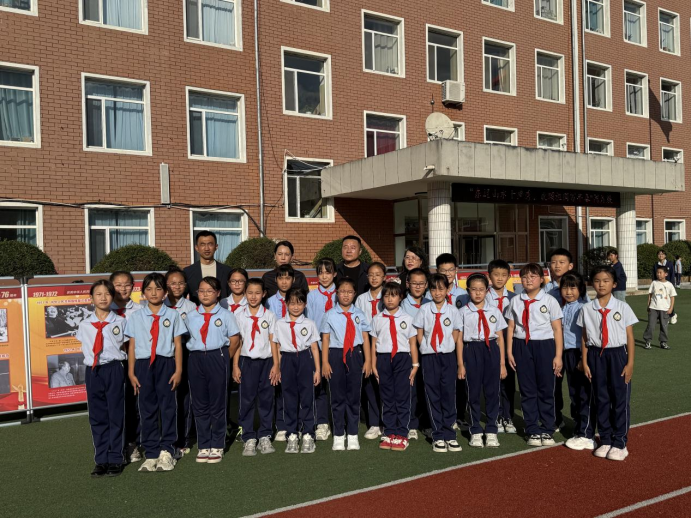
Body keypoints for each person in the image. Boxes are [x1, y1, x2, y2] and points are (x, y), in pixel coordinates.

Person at [125, 273, 186, 472]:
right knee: (146, 408)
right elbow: (132, 346)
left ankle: (167, 450)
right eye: (149, 289)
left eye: (158, 289)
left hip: (166, 363)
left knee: (168, 407)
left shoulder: (173, 315)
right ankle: (151, 452)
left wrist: (178, 370)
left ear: (165, 293)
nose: (153, 293)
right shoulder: (136, 317)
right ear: (143, 293)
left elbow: (178, 344)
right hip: (143, 365)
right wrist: (131, 372)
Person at [578, 266, 638, 461]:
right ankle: (605, 439)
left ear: (614, 284)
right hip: (596, 355)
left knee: (620, 399)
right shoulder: (587, 309)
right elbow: (584, 337)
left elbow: (629, 337)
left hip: (617, 354)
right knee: (601, 398)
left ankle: (620, 442)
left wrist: (630, 363)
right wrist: (585, 361)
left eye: (606, 281)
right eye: (597, 281)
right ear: (591, 283)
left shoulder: (622, 307)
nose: (601, 284)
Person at [505, 263, 563, 448]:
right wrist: (509, 352)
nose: (528, 280)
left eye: (533, 276)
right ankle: (532, 429)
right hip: (521, 345)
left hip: (545, 345)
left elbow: (557, 329)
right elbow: (511, 328)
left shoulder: (550, 301)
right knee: (527, 389)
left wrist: (558, 355)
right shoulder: (515, 301)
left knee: (546, 389)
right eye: (524, 277)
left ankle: (547, 428)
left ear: (541, 279)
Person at [186, 277, 240, 464]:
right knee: (199, 403)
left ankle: (217, 443)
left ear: (218, 293)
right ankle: (204, 444)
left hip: (217, 356)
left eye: (209, 291)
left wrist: (223, 358)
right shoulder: (191, 316)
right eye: (201, 291)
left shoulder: (226, 315)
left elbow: (234, 340)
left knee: (218, 403)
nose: (205, 294)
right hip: (196, 358)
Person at [76, 280, 127, 477]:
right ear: (91, 298)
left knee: (116, 413)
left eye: (107, 294)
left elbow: (127, 347)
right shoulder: (84, 324)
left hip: (114, 369)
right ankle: (101, 459)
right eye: (98, 294)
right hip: (93, 371)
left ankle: (116, 458)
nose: (103, 298)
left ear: (112, 297)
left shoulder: (120, 322)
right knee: (97, 416)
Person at [412, 274, 463, 453]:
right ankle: (438, 435)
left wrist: (447, 346)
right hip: (429, 357)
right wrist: (426, 347)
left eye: (441, 289)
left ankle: (450, 434)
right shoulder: (424, 310)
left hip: (447, 357)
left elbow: (456, 333)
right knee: (432, 394)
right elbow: (419, 332)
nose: (437, 292)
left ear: (448, 289)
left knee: (448, 394)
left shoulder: (453, 311)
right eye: (433, 289)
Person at [321, 277, 372, 452]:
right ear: (337, 293)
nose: (346, 295)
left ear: (354, 294)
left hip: (355, 354)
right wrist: (325, 362)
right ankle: (338, 434)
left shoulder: (359, 314)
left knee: (353, 396)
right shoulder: (329, 314)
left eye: (349, 292)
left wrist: (368, 360)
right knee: (337, 396)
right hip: (335, 354)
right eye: (342, 291)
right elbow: (325, 338)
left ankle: (352, 434)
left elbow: (365, 337)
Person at [457, 273, 507, 449]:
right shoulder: (462, 312)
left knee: (492, 392)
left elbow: (500, 338)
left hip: (491, 349)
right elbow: (459, 340)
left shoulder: (494, 311)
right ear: (468, 291)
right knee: (473, 392)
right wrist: (461, 364)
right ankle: (476, 430)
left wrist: (502, 363)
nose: (477, 293)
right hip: (472, 350)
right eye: (474, 289)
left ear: (487, 291)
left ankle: (492, 429)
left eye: (481, 289)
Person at [271, 288, 321, 454]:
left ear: (305, 304)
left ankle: (308, 434)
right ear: (286, 304)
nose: (295, 307)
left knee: (307, 397)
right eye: (292, 303)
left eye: (299, 303)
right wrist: (277, 367)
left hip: (305, 359)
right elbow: (277, 347)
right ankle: (292, 434)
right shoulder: (279, 324)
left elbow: (314, 348)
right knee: (289, 398)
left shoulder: (310, 323)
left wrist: (317, 370)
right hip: (287, 359)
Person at [370, 282, 418, 452]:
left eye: (394, 295)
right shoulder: (377, 319)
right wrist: (373, 364)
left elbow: (412, 344)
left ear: (400, 297)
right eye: (386, 296)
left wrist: (415, 365)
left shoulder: (408, 319)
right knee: (387, 397)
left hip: (402, 358)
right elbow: (373, 344)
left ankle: (402, 433)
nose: (390, 299)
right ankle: (389, 432)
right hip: (383, 359)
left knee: (402, 396)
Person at [233, 278, 279, 457]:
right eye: (250, 293)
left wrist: (276, 364)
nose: (253, 296)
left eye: (257, 293)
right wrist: (236, 365)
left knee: (266, 399)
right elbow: (238, 343)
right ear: (245, 294)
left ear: (264, 294)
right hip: (246, 362)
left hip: (266, 362)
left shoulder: (269, 316)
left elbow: (273, 341)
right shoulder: (239, 315)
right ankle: (249, 436)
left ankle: (265, 435)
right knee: (247, 399)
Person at [430, 253, 468, 430]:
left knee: (460, 381)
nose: (447, 273)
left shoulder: (463, 295)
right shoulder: (432, 294)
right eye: (443, 270)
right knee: (439, 383)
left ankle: (459, 416)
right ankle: (439, 417)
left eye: (451, 269)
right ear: (437, 271)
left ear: (456, 270)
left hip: (459, 343)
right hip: (438, 345)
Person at [163, 267, 198, 457]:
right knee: (166, 396)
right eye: (172, 283)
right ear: (166, 285)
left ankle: (183, 438)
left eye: (181, 283)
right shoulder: (159, 305)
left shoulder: (191, 307)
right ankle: (166, 437)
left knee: (184, 395)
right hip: (164, 353)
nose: (177, 286)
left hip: (185, 351)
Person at [560, 272, 596, 452]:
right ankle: (579, 428)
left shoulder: (584, 307)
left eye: (573, 287)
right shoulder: (563, 307)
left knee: (584, 394)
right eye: (565, 287)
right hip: (567, 353)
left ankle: (587, 434)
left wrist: (583, 358)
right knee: (574, 393)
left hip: (580, 353)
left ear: (581, 289)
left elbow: (588, 335)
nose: (568, 292)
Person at [306, 257, 338, 441]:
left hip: (336, 346)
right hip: (317, 347)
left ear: (335, 274)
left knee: (337, 386)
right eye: (321, 273)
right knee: (319, 386)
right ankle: (322, 423)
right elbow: (310, 322)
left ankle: (338, 422)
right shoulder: (311, 296)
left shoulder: (341, 293)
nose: (324, 276)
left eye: (328, 272)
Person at [485, 259, 517, 434]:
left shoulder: (514, 298)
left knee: (508, 383)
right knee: (493, 383)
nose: (499, 278)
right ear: (489, 276)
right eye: (496, 274)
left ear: (509, 277)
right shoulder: (483, 297)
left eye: (503, 275)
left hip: (509, 345)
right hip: (490, 344)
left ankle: (508, 416)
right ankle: (495, 415)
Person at [355, 262, 386, 440]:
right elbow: (359, 324)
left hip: (385, 345)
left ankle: (387, 421)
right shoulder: (361, 299)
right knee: (369, 385)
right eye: (371, 275)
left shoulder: (388, 296)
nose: (374, 278)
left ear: (384, 277)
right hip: (366, 345)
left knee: (385, 384)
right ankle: (374, 423)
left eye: (378, 274)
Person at [400, 267, 430, 439]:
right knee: (411, 388)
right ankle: (411, 423)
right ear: (407, 284)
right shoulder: (402, 305)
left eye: (421, 283)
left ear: (426, 285)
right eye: (414, 283)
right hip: (409, 351)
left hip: (428, 350)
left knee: (428, 387)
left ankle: (427, 422)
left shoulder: (431, 303)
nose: (418, 287)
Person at [265, 264, 294, 441]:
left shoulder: (298, 300)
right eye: (281, 278)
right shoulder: (269, 302)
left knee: (292, 388)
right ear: (276, 280)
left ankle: (295, 422)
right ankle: (281, 424)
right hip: (275, 349)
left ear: (293, 280)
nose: (284, 282)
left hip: (293, 349)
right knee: (277, 387)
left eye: (288, 278)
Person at [184, 231, 233, 304]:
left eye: (210, 244)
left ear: (216, 246)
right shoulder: (187, 272)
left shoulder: (227, 271)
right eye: (202, 244)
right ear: (196, 248)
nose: (206, 248)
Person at [643, 265, 677, 350]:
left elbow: (672, 297)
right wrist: (648, 305)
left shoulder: (669, 285)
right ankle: (647, 341)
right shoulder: (654, 283)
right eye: (657, 272)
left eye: (660, 273)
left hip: (665, 309)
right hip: (653, 308)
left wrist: (671, 308)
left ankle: (663, 342)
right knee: (651, 325)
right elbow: (650, 295)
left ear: (666, 274)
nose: (658, 274)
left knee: (664, 326)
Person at [652, 249, 677, 324]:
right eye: (659, 254)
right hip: (659, 286)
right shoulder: (656, 265)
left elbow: (672, 275)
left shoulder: (669, 264)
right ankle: (662, 317)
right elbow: (654, 275)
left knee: (669, 300)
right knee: (660, 300)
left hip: (668, 285)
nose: (661, 255)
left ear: (665, 255)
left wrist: (672, 285)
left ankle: (672, 315)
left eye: (662, 254)